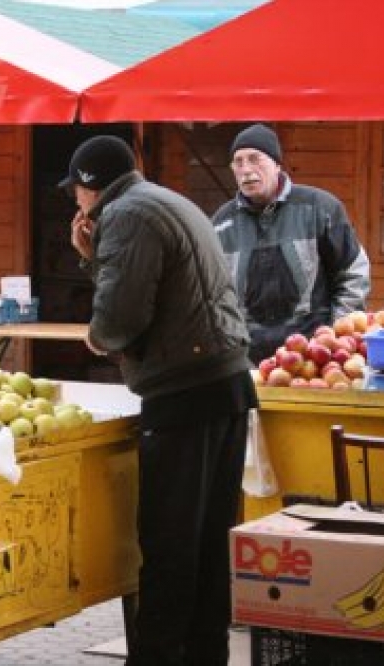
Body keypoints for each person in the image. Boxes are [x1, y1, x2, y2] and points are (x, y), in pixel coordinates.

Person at [63, 135, 258, 666]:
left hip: (183, 392)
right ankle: (205, 656)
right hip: (226, 383)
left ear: (89, 187)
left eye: (76, 195)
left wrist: (96, 338)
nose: (76, 206)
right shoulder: (167, 200)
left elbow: (121, 317)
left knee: (170, 548)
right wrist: (93, 257)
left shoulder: (126, 216)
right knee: (205, 546)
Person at [212, 123, 370, 365]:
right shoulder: (221, 224)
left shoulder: (319, 209)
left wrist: (334, 337)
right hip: (248, 361)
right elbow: (214, 295)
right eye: (238, 162)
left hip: (313, 358)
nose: (246, 170)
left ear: (277, 164)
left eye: (255, 159)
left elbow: (353, 273)